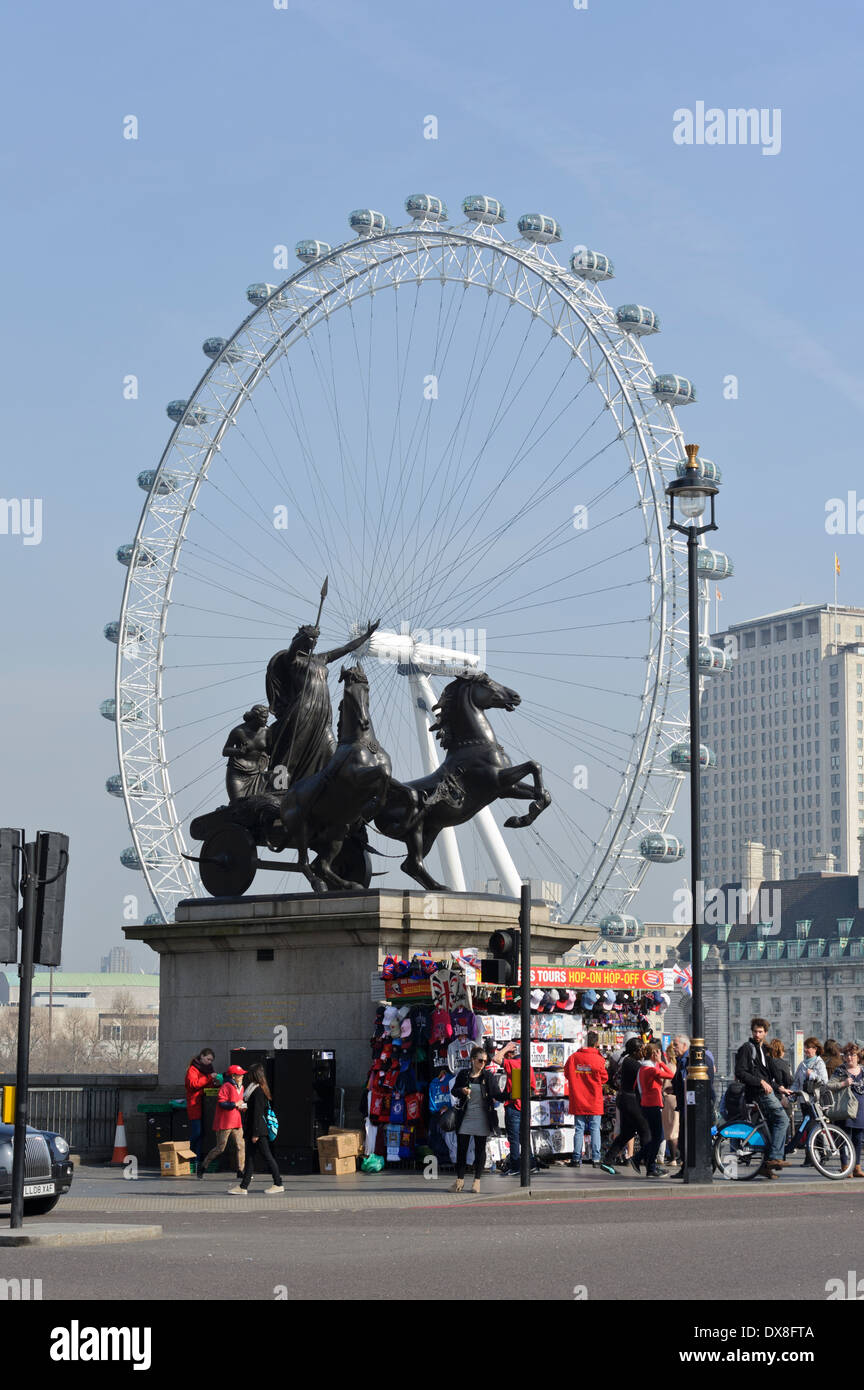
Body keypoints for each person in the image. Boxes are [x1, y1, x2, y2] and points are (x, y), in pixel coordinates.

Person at [734, 1018, 789, 1178]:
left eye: (760, 1032)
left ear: (765, 1033)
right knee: (783, 1120)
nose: (757, 1034)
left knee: (772, 1127)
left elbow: (769, 1076)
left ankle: (765, 1166)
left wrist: (780, 1087)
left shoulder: (765, 1049)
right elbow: (741, 1072)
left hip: (767, 1090)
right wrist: (760, 1082)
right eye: (755, 1031)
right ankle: (775, 1158)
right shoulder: (747, 1048)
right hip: (758, 1092)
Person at [449, 1046, 500, 1193]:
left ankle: (477, 1182)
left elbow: (496, 1093)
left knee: (480, 1150)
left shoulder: (488, 1076)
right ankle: (459, 1181)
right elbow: (454, 1091)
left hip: (482, 1117)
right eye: (480, 1060)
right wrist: (462, 1090)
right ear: (472, 1060)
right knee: (462, 1150)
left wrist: (510, 1094)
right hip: (466, 1116)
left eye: (485, 1061)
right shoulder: (464, 1074)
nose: (483, 1063)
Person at [564, 1031, 616, 1174]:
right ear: (596, 1043)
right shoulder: (599, 1059)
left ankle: (575, 1158)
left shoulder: (574, 1057)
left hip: (578, 1099)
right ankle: (596, 1159)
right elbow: (604, 1078)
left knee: (579, 1129)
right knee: (595, 1129)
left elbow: (566, 1073)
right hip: (594, 1099)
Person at [230, 1063, 284, 1195]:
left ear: (254, 1075)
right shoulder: (254, 1089)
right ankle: (243, 1186)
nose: (247, 1076)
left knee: (267, 1157)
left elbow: (258, 1113)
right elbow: (254, 1109)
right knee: (250, 1158)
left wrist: (255, 1133)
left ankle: (278, 1183)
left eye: (249, 1073)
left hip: (258, 1130)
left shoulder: (258, 1090)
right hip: (255, 1130)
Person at [670, 1033, 716, 1178]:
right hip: (687, 1103)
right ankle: (686, 1167)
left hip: (693, 1104)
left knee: (691, 1136)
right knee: (685, 1137)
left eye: (676, 1044)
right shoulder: (683, 1059)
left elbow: (688, 1082)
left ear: (685, 1045)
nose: (673, 1047)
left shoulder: (691, 1060)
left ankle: (704, 1164)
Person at [494, 1041, 540, 1177]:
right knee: (524, 1137)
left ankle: (515, 1166)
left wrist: (505, 1048)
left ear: (511, 1053)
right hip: (525, 1106)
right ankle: (531, 1165)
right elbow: (531, 1088)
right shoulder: (528, 1066)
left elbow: (496, 1059)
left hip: (514, 1106)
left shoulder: (513, 1063)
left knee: (513, 1138)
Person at [604, 1038, 650, 1171]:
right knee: (645, 1130)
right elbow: (646, 1074)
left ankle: (607, 1160)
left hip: (625, 1100)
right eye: (642, 1049)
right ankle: (649, 1164)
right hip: (631, 1101)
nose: (643, 1051)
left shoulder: (629, 1061)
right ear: (636, 1051)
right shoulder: (633, 1064)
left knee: (627, 1133)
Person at [199, 1064, 247, 1183]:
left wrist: (242, 1107)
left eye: (242, 1075)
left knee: (241, 1145)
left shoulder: (241, 1087)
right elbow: (222, 1103)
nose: (242, 1076)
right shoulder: (226, 1086)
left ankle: (241, 1170)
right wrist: (236, 1104)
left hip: (236, 1121)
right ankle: (203, 1165)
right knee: (220, 1148)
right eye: (240, 1075)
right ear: (233, 1076)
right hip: (225, 1122)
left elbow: (238, 1103)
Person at [636, 1042, 676, 1177]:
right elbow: (671, 1075)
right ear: (654, 1054)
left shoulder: (643, 1069)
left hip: (646, 1104)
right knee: (658, 1137)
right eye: (658, 1052)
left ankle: (648, 1165)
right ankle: (643, 1161)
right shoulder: (651, 1070)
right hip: (653, 1105)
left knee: (656, 1136)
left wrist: (658, 1062)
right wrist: (661, 1062)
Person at [827, 1042, 864, 1178]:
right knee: (844, 1137)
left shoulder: (863, 1070)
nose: (850, 1057)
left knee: (858, 1139)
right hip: (845, 1107)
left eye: (853, 1055)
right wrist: (843, 1083)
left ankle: (857, 1167)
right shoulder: (840, 1070)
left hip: (860, 1107)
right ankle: (845, 1166)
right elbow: (829, 1085)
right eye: (847, 1055)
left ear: (858, 1056)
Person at [221, 706, 271, 801]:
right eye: (264, 717)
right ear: (256, 717)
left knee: (257, 803)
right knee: (238, 804)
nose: (266, 720)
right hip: (238, 772)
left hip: (257, 774)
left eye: (267, 717)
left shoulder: (266, 732)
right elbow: (225, 751)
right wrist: (239, 751)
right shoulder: (238, 731)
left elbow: (271, 750)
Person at [185, 1048, 221, 1168]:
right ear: (202, 1056)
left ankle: (197, 1159)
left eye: (211, 1060)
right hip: (195, 1104)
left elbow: (207, 1084)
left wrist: (215, 1082)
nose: (209, 1062)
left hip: (205, 1104)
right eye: (208, 1059)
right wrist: (209, 1077)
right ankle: (189, 1156)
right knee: (197, 1133)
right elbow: (193, 1084)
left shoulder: (208, 1070)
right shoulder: (193, 1069)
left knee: (201, 1134)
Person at [661, 1043, 680, 1165]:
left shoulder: (668, 1067)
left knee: (670, 1130)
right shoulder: (679, 1066)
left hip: (668, 1099)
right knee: (677, 1128)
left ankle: (673, 1158)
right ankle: (680, 1157)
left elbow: (662, 1082)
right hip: (678, 1098)